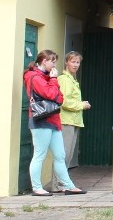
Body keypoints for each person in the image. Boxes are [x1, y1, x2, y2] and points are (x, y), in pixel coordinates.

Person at [23, 50, 85, 196]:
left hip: (53, 119)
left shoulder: (46, 77)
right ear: (44, 61)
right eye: (52, 61)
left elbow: (60, 98)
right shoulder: (35, 77)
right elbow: (51, 94)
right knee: (40, 154)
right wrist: (53, 80)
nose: (54, 65)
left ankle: (68, 185)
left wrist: (53, 84)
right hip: (40, 120)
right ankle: (37, 188)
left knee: (60, 155)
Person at [50, 51, 91, 192]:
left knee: (67, 155)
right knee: (63, 154)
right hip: (66, 121)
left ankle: (61, 184)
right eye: (73, 62)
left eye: (77, 62)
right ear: (66, 62)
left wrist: (80, 103)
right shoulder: (65, 79)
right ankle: (58, 185)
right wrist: (81, 105)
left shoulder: (72, 79)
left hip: (73, 120)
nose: (75, 65)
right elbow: (64, 101)